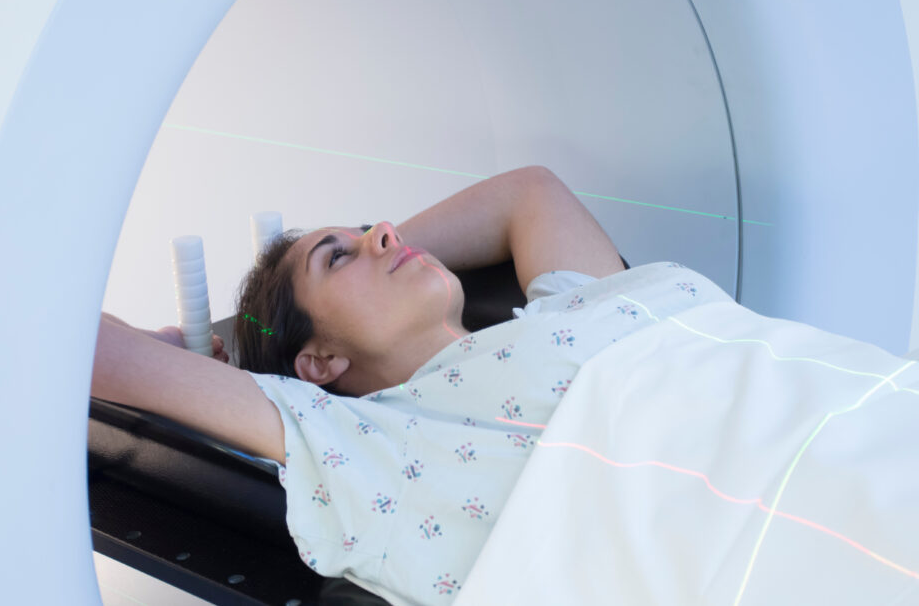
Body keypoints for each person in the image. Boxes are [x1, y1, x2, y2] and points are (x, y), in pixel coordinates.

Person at [92, 166, 735, 604]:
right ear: (318, 363)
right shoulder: (361, 443)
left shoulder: (573, 304)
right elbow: (90, 348)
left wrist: (382, 256)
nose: (384, 230)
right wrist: (177, 351)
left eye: (374, 228)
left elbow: (529, 193)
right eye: (335, 255)